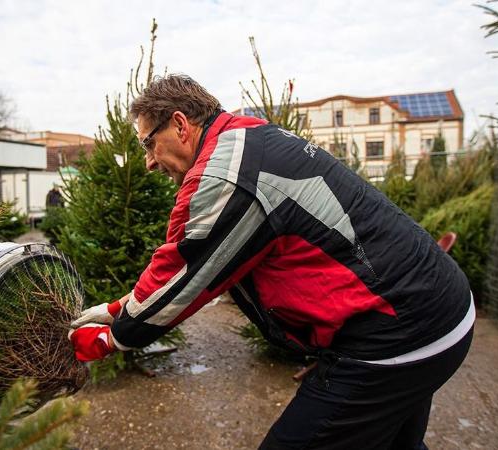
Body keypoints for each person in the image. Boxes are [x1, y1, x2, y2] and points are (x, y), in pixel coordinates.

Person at [68, 74, 473, 450]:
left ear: (179, 124)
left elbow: (185, 271)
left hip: (398, 336)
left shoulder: (223, 176)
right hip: (437, 310)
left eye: (147, 143)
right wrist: (117, 308)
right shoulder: (248, 136)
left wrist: (114, 335)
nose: (149, 162)